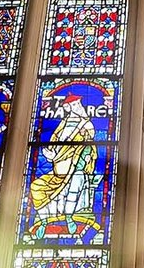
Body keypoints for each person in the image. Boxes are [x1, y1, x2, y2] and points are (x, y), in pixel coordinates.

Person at [29, 93, 98, 231]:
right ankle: (44, 221)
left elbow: (90, 145)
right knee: (35, 187)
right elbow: (54, 143)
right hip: (57, 171)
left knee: (75, 182)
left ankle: (69, 217)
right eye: (74, 104)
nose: (78, 107)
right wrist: (50, 154)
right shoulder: (63, 123)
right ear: (67, 107)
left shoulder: (86, 124)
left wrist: (86, 154)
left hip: (74, 168)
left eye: (79, 104)